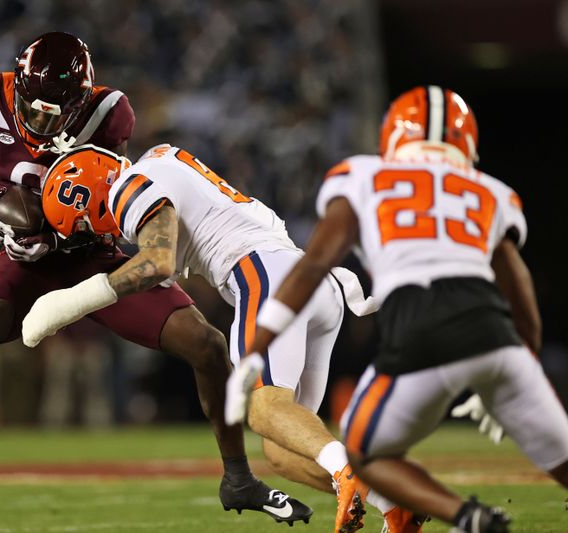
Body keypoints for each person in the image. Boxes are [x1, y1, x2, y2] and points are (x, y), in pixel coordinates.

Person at [0, 32, 308, 525]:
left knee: (208, 346)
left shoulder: (109, 114)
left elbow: (113, 199)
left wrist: (64, 230)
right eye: (34, 108)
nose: (42, 121)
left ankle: (238, 477)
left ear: (80, 101)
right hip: (23, 259)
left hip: (91, 253)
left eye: (55, 112)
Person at [20, 143, 416, 533]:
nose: (94, 233)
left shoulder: (127, 186)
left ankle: (346, 468)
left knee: (263, 410)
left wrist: (73, 302)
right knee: (281, 450)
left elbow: (158, 262)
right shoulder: (160, 159)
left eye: (85, 225)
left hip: (267, 275)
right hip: (312, 280)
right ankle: (392, 501)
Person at [228, 85, 568, 533]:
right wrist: (522, 359)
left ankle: (470, 518)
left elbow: (313, 266)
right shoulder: (490, 190)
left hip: (420, 329)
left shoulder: (364, 176)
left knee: (361, 458)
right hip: (496, 333)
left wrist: (259, 347)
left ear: (392, 137)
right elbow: (519, 287)